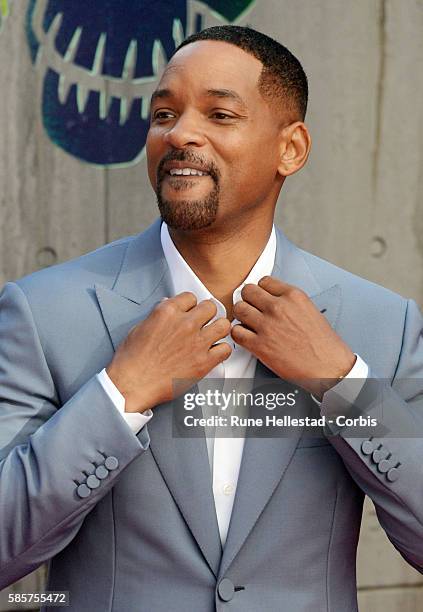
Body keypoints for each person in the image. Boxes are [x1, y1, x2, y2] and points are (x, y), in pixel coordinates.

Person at [0, 25, 422, 612]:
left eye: (219, 115)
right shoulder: (44, 312)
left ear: (290, 149)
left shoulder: (384, 325)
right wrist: (117, 396)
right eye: (163, 114)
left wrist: (344, 383)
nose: (181, 134)